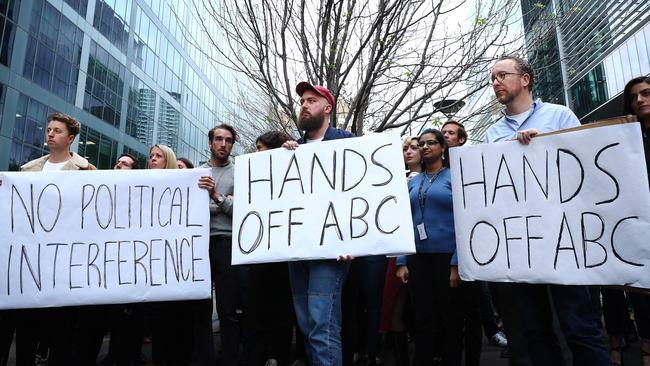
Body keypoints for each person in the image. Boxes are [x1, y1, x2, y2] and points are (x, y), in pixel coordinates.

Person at [485, 55, 609, 366]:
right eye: (492, 78)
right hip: (522, 245)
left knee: (578, 325)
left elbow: (584, 166)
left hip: (564, 240)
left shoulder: (559, 116)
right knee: (534, 330)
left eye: (502, 75)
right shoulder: (493, 134)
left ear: (525, 79)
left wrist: (547, 144)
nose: (495, 82)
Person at [282, 81, 355, 366]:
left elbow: (360, 195)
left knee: (322, 322)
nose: (304, 104)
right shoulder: (293, 150)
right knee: (308, 324)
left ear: (327, 107)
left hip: (332, 250)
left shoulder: (346, 142)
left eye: (311, 100)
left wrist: (353, 241)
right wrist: (282, 158)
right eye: (302, 101)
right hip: (298, 249)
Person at [14, 113, 96, 366]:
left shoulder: (87, 171)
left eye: (57, 131)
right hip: (33, 259)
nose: (50, 134)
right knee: (28, 326)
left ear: (70, 138)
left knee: (62, 327)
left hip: (66, 262)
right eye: (49, 129)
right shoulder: (27, 170)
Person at [395, 129, 463, 366]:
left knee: (450, 320)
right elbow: (404, 220)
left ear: (443, 148)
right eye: (421, 144)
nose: (424, 147)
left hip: (447, 258)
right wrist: (402, 261)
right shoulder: (414, 182)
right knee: (423, 319)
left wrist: (456, 262)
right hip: (418, 259)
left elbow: (465, 221)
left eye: (431, 143)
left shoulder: (455, 177)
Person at [602, 75, 650, 366]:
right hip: (628, 225)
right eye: (634, 97)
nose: (639, 100)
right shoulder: (624, 140)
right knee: (629, 288)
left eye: (645, 94)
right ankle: (629, 341)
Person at [246, 130, 296, 366]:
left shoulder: (291, 171)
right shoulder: (251, 176)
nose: (256, 152)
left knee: (281, 312)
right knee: (259, 311)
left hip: (284, 256)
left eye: (260, 147)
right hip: (259, 254)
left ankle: (279, 356)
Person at [198, 124, 238, 366]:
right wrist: (224, 204)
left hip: (227, 243)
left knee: (228, 310)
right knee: (201, 308)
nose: (224, 144)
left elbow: (241, 211)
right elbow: (191, 208)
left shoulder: (239, 173)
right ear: (211, 142)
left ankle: (231, 359)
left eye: (229, 140)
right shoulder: (197, 171)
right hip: (200, 243)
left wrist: (215, 197)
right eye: (219, 139)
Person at [379, 136, 422, 366]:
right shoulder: (393, 180)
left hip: (424, 251)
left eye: (414, 148)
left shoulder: (432, 178)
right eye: (405, 148)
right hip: (396, 251)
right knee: (395, 306)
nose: (408, 152)